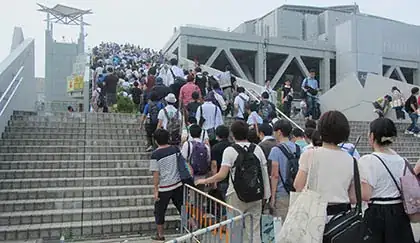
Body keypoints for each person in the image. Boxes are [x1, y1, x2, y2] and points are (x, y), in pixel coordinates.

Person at [196, 120, 271, 243]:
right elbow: (264, 173)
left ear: (233, 134)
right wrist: (266, 195)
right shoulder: (257, 149)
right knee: (255, 230)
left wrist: (204, 181)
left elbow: (222, 175)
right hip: (256, 194)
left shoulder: (230, 151)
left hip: (235, 194)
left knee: (235, 230)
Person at [294, 111, 358, 221]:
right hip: (341, 219)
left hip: (313, 216)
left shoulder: (310, 154)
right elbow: (353, 197)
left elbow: (298, 185)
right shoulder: (351, 160)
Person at [359, 118, 415, 242]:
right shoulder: (403, 161)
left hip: (376, 214)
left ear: (372, 136)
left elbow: (365, 195)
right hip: (400, 214)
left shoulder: (368, 160)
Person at [150, 129, 183, 241]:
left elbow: (156, 174)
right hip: (178, 184)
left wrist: (155, 189)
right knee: (182, 208)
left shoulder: (155, 154)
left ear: (156, 141)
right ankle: (194, 228)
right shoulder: (175, 149)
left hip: (164, 187)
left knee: (159, 211)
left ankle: (160, 235)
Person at [269, 120, 300, 219]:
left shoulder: (275, 150)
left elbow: (274, 175)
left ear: (279, 132)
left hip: (282, 193)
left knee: (281, 226)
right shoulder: (298, 148)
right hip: (296, 193)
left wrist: (272, 197)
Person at [211, 125, 232, 200]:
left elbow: (214, 165)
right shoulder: (232, 146)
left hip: (221, 179)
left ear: (217, 135)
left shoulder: (215, 148)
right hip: (232, 178)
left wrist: (214, 181)